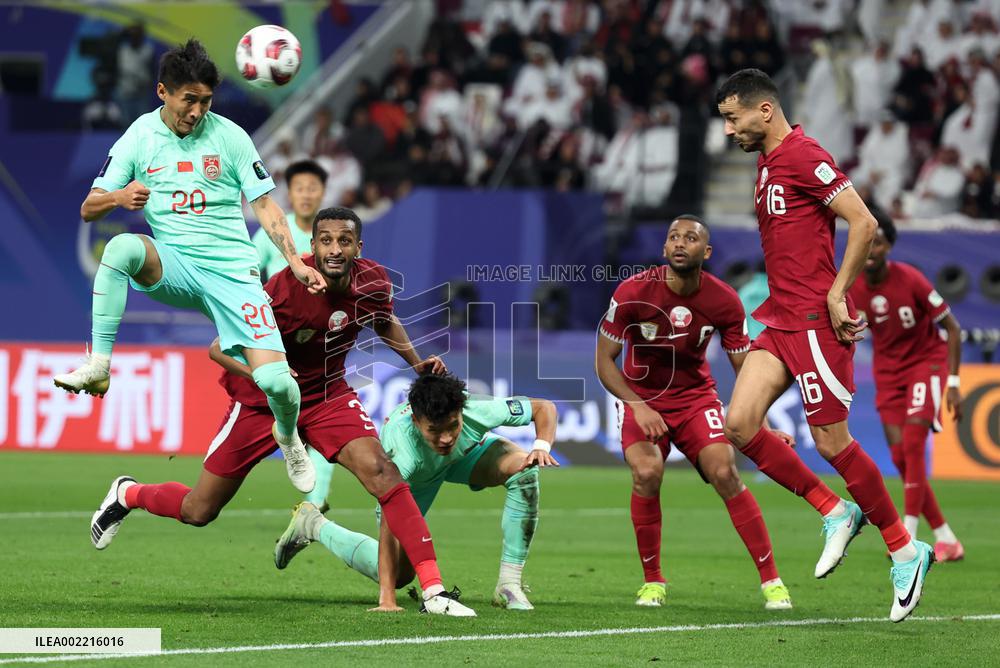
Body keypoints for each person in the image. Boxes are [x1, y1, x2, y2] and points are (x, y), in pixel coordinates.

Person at [88, 208, 475, 616]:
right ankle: (128, 493)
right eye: (326, 241)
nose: (335, 249)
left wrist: (415, 362)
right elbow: (219, 349)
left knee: (384, 473)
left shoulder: (374, 281)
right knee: (198, 510)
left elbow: (383, 320)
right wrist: (268, 373)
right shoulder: (285, 290)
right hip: (261, 402)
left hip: (326, 396)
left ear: (358, 248)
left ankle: (434, 591)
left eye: (344, 241)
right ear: (313, 247)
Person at [55, 39, 323, 493]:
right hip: (176, 266)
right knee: (121, 249)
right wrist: (119, 196)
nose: (197, 111)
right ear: (162, 91)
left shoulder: (231, 137)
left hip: (233, 275)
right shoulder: (140, 136)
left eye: (206, 101)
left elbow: (265, 204)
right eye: (189, 99)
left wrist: (294, 261)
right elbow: (88, 208)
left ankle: (288, 434)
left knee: (279, 385)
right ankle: (99, 364)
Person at [716, 68, 934, 623]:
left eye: (733, 118)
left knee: (832, 442)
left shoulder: (803, 154)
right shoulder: (767, 161)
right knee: (738, 425)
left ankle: (905, 550)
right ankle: (835, 510)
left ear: (765, 110)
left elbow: (863, 222)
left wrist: (838, 293)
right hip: (780, 319)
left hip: (816, 323)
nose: (728, 131)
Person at [596, 215, 793, 611]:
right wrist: (638, 405)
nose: (680, 243)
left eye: (690, 238)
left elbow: (746, 371)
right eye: (673, 237)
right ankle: (653, 581)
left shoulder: (724, 300)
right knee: (646, 473)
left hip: (695, 399)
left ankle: (772, 581)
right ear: (664, 248)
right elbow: (603, 361)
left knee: (725, 472)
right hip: (642, 397)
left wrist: (762, 424)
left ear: (706, 252)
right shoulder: (633, 291)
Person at [274, 373, 559, 612]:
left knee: (525, 469)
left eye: (453, 426)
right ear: (415, 422)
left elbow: (543, 408)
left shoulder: (475, 408)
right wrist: (387, 598)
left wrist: (541, 447)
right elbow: (390, 522)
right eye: (435, 430)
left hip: (465, 458)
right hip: (414, 485)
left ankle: (509, 585)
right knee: (401, 576)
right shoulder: (402, 452)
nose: (446, 438)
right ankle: (313, 524)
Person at [849, 213, 965, 562]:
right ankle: (946, 538)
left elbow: (953, 328)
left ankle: (908, 537)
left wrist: (954, 382)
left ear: (889, 247)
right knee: (900, 457)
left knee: (913, 446)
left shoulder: (911, 279)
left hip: (925, 364)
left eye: (879, 243)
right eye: (868, 242)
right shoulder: (853, 287)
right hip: (887, 373)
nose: (872, 249)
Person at [253, 160, 328, 281]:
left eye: (312, 189)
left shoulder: (335, 233)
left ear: (323, 192)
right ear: (289, 194)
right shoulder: (272, 228)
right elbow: (249, 268)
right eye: (299, 189)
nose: (305, 196)